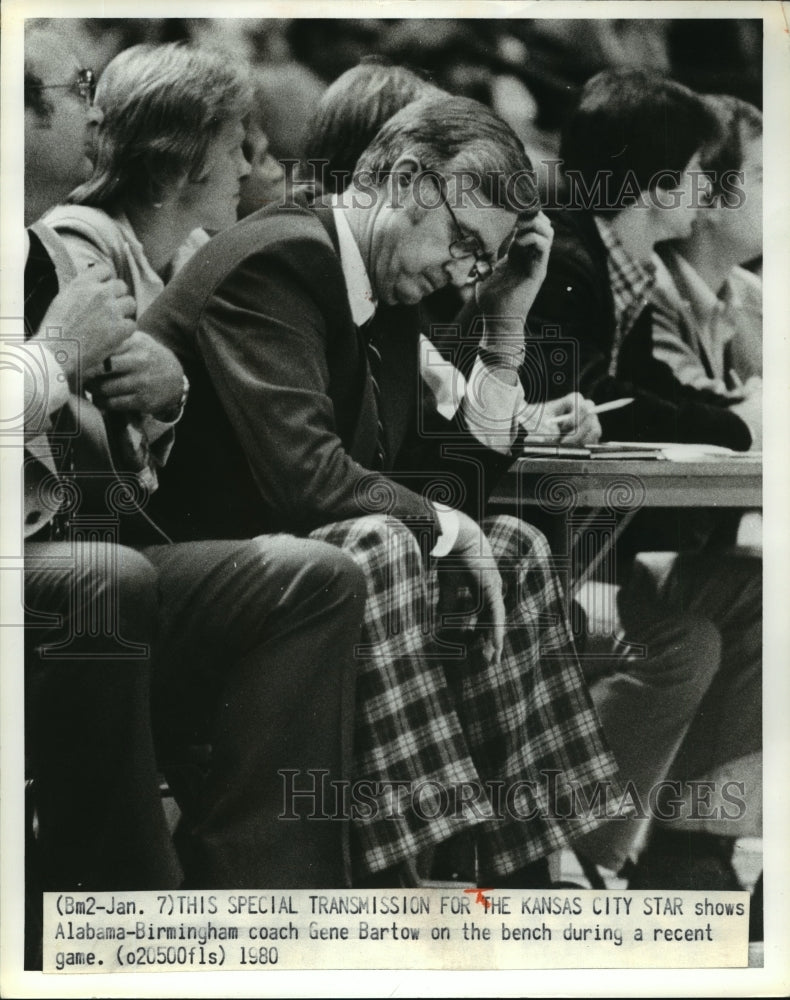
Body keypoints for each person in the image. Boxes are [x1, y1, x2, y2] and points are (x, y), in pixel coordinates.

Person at [140, 93, 619, 889]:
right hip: (166, 586)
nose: (462, 272)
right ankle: (393, 873)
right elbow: (308, 477)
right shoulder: (282, 257)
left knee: (512, 544)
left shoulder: (381, 285)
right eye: (465, 242)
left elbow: (435, 489)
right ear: (404, 179)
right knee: (390, 539)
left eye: (482, 259)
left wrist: (503, 337)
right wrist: (446, 524)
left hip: (284, 574)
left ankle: (517, 864)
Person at [21, 21, 366, 911]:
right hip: (60, 555)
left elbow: (109, 454)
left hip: (87, 535)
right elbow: (66, 388)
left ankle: (260, 896)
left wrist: (160, 394)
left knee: (316, 573)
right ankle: (129, 899)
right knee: (105, 577)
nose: (98, 117)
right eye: (75, 91)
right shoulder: (78, 242)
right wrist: (58, 356)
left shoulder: (43, 250)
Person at [527, 69, 762, 891]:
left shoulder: (616, 261)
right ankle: (553, 840)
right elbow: (602, 403)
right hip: (535, 562)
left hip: (589, 556)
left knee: (758, 593)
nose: (711, 189)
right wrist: (738, 424)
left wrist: (728, 417)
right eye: (702, 171)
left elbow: (638, 397)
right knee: (681, 643)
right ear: (660, 184)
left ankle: (690, 846)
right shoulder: (565, 257)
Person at [651, 95, 762, 398]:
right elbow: (690, 405)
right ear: (708, 194)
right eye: (762, 176)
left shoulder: (757, 297)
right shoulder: (648, 290)